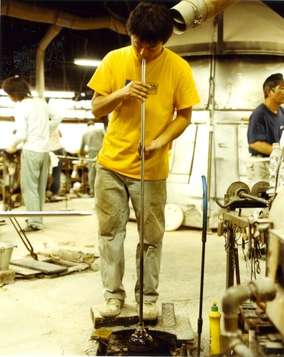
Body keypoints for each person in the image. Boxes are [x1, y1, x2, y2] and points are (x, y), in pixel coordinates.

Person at [87, 2, 200, 319]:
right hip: (110, 166)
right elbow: (96, 109)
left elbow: (185, 116)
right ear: (130, 33)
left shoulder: (178, 68)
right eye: (138, 43)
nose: (144, 52)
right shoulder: (114, 60)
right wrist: (121, 94)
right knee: (110, 235)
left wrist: (158, 142)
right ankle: (113, 295)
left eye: (152, 46)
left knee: (151, 239)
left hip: (151, 169)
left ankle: (148, 297)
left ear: (164, 41)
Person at [2, 75, 61, 231]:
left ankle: (34, 222)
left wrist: (10, 147)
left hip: (31, 150)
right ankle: (38, 220)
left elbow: (22, 135)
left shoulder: (21, 107)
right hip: (45, 152)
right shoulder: (41, 102)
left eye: (8, 94)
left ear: (14, 93)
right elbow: (58, 116)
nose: (9, 97)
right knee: (40, 188)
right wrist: (45, 129)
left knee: (30, 188)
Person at [247, 73, 284, 185]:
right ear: (269, 91)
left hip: (275, 164)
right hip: (261, 166)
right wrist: (280, 153)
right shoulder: (259, 114)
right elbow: (255, 143)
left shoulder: (282, 112)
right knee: (261, 199)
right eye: (281, 89)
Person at [79, 120, 105, 196]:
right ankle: (103, 191)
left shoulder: (84, 133)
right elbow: (107, 138)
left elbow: (81, 149)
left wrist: (81, 157)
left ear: (87, 125)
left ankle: (92, 191)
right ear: (94, 124)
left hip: (91, 153)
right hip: (102, 151)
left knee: (92, 172)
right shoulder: (100, 129)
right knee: (103, 170)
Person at [47, 126, 65, 201]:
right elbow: (61, 135)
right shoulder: (56, 126)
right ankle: (54, 194)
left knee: (46, 173)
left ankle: (47, 193)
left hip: (49, 150)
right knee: (56, 173)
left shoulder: (42, 125)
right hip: (58, 149)